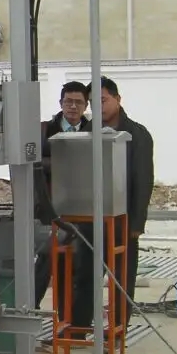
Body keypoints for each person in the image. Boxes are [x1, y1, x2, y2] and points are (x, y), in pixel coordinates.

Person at [72, 76, 155, 329]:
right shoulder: (85, 134)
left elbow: (143, 180)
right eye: (93, 102)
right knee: (85, 277)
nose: (99, 106)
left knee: (122, 279)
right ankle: (80, 328)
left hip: (123, 220)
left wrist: (137, 223)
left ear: (118, 99)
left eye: (104, 100)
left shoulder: (137, 135)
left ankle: (118, 330)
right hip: (90, 220)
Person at [34, 82, 91, 310]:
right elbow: (34, 163)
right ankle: (30, 307)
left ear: (86, 105)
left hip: (83, 207)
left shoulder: (95, 130)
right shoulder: (44, 130)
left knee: (74, 262)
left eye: (78, 102)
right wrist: (63, 163)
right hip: (50, 206)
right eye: (68, 101)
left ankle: (66, 313)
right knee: (47, 257)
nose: (73, 106)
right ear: (61, 103)